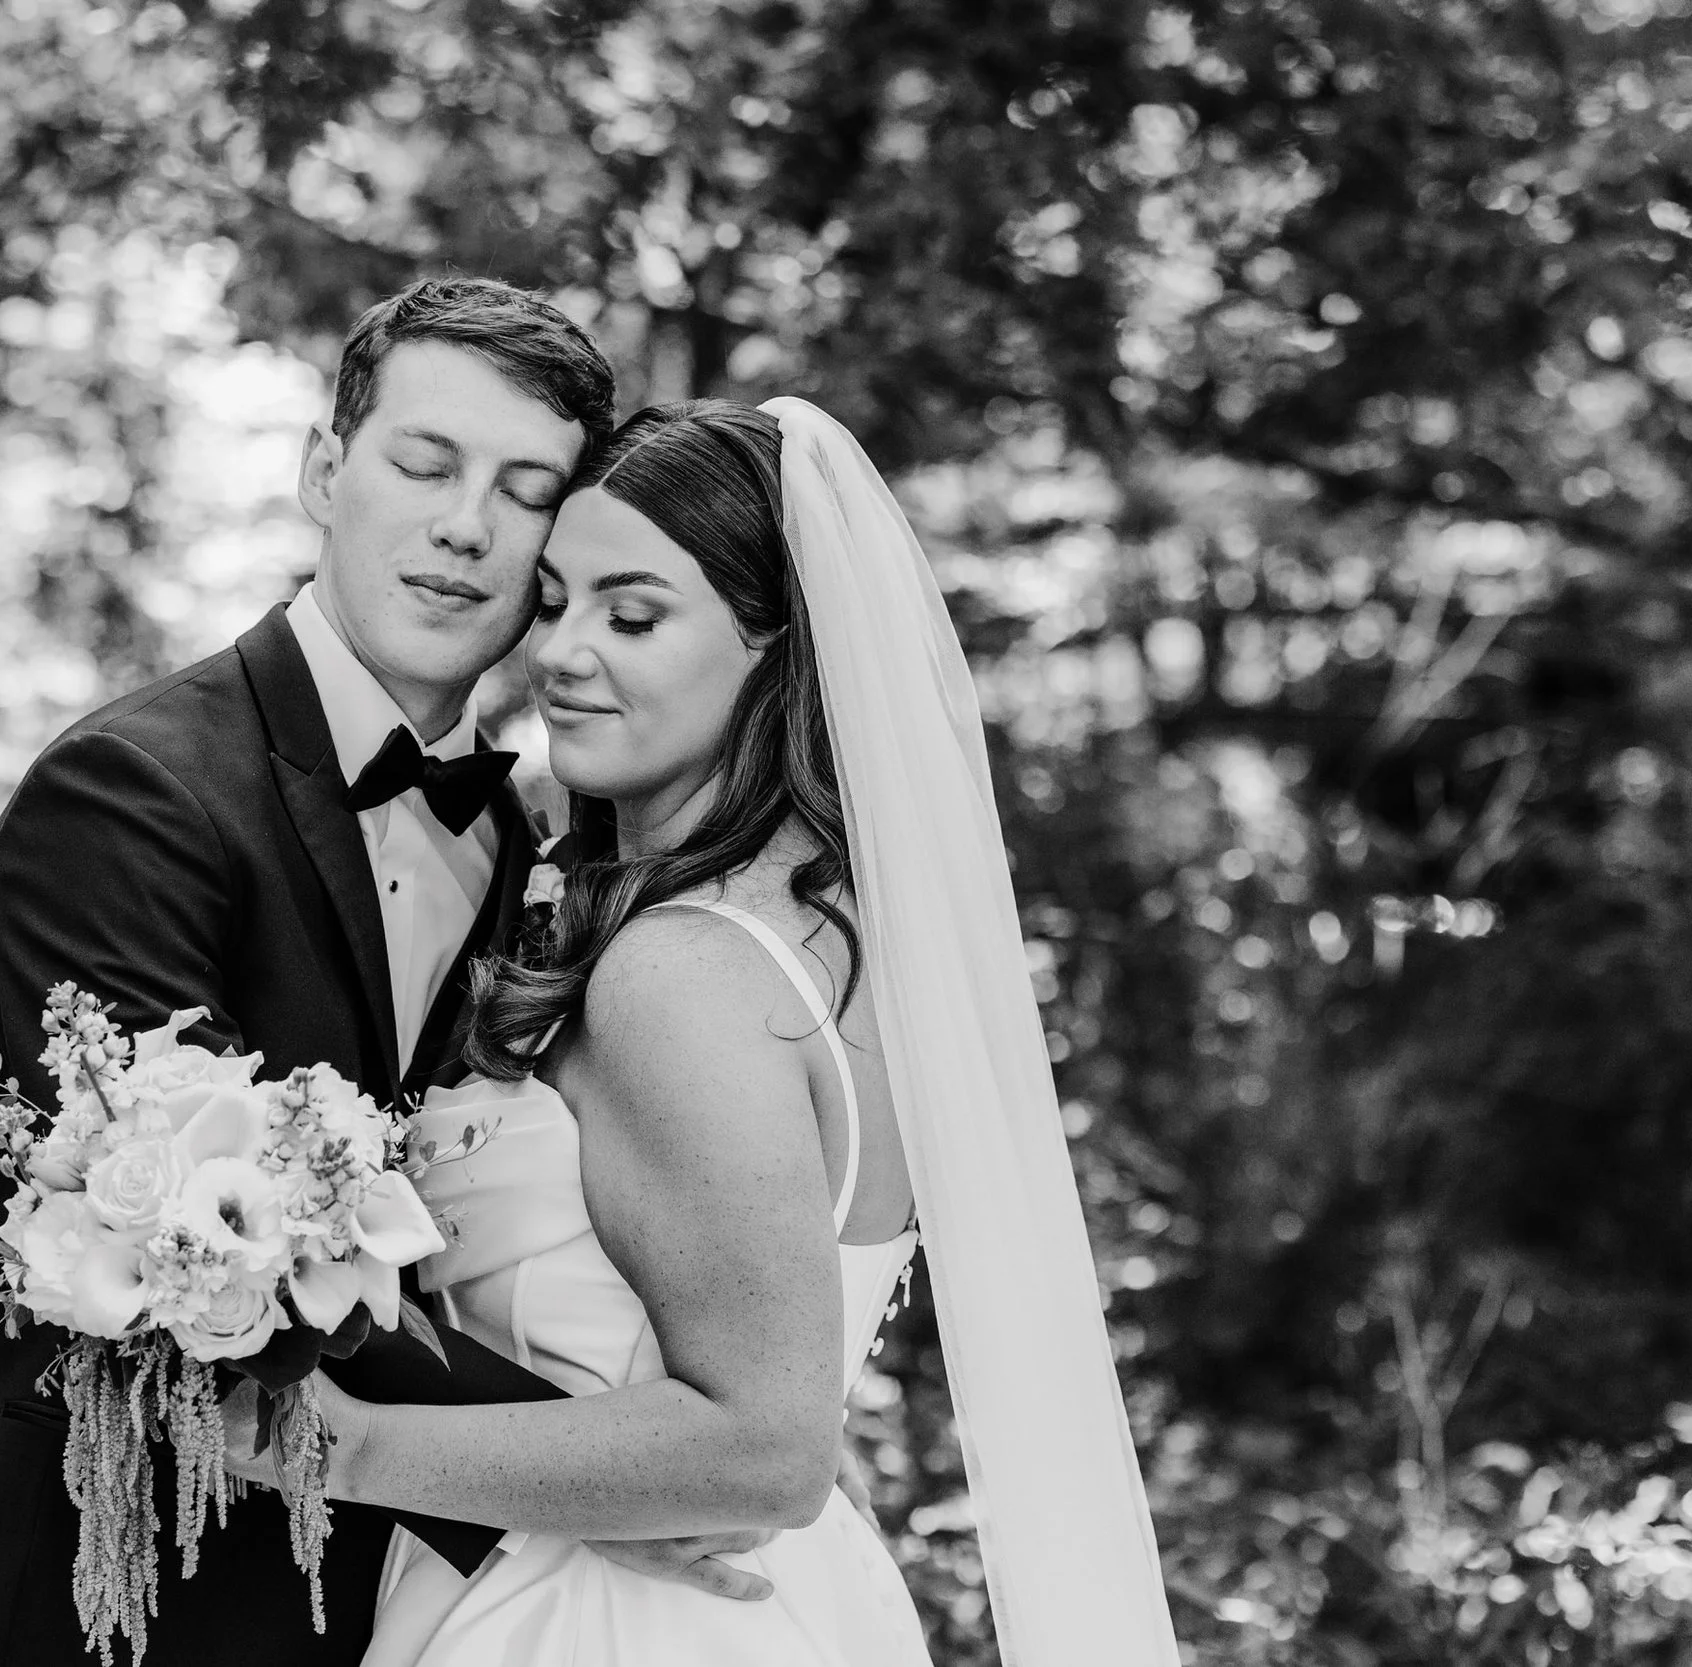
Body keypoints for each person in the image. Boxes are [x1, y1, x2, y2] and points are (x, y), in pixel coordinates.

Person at [0, 281, 797, 1667]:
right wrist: (612, 1466)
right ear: (327, 469)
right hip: (109, 1584)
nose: (464, 524)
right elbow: (173, 1248)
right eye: (424, 463)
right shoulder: (130, 792)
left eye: (525, 489)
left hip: (378, 1593)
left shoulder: (522, 836)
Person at [229, 399, 1183, 1666]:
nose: (561, 651)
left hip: (601, 1622)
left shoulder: (679, 973)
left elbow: (762, 1447)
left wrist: (326, 1442)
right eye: (554, 599)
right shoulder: (832, 931)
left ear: (775, 653)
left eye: (631, 614)